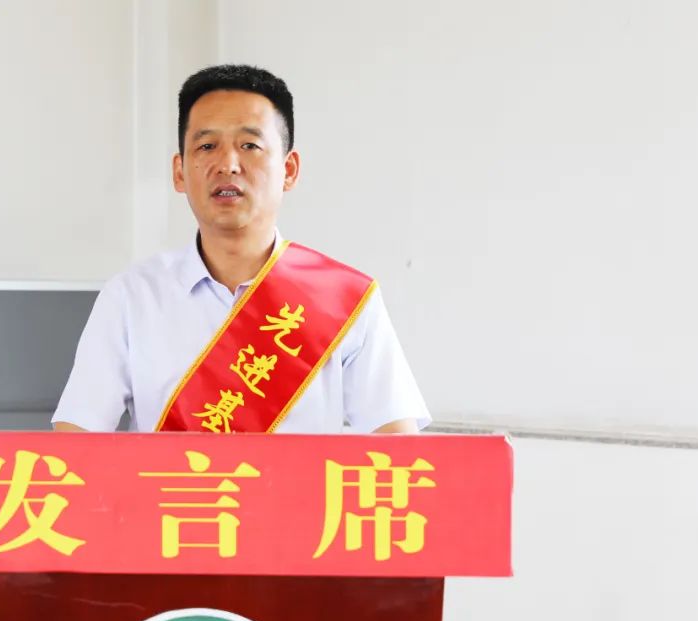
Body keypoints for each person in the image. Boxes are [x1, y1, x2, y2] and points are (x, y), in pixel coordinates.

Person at [53, 64, 428, 434]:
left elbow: (397, 452)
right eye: (207, 146)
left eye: (250, 145)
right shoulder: (132, 296)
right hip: (178, 481)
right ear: (180, 172)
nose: (228, 165)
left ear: (289, 170)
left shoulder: (343, 297)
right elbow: (75, 444)